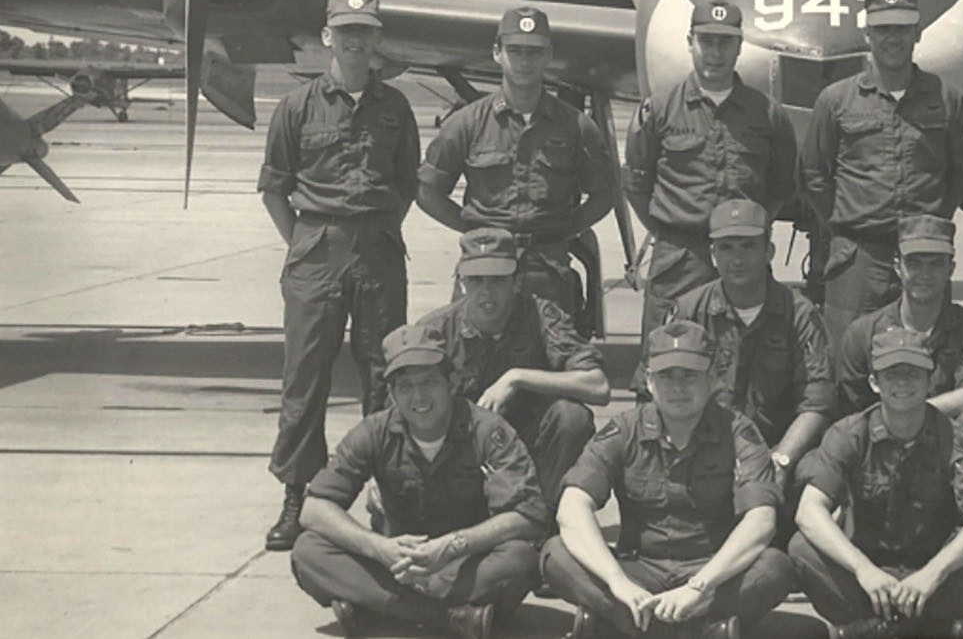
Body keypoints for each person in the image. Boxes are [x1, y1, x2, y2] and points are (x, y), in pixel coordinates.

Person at [259, 0, 420, 552]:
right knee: (305, 378)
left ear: (377, 41)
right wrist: (307, 242)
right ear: (328, 37)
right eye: (345, 31)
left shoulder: (395, 109)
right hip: (315, 249)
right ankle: (298, 496)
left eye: (365, 31)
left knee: (384, 375)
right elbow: (275, 188)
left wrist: (369, 229)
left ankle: (386, 492)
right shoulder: (298, 106)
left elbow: (405, 185)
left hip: (377, 249)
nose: (355, 40)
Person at [290, 324, 545, 639]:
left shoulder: (487, 430)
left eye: (429, 382)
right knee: (308, 550)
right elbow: (314, 508)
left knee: (521, 559)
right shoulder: (375, 431)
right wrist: (379, 548)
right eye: (406, 386)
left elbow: (529, 516)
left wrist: (452, 547)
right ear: (393, 393)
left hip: (465, 565)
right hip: (398, 564)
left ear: (451, 383)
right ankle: (450, 618)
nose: (419, 397)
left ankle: (378, 607)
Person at [542, 322, 794, 639]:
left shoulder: (738, 431)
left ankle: (631, 626)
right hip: (640, 571)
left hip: (711, 571)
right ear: (648, 380)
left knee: (775, 567)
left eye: (689, 375)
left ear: (712, 378)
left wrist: (699, 586)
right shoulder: (623, 430)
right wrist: (617, 580)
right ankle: (700, 631)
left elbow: (761, 520)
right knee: (556, 554)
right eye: (666, 376)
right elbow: (572, 507)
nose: (678, 387)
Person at [788, 327, 963, 639]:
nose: (903, 383)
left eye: (913, 374)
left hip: (932, 579)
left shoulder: (955, 437)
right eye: (892, 374)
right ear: (875, 382)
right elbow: (809, 510)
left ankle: (872, 632)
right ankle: (931, 632)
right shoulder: (850, 433)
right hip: (868, 579)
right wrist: (863, 569)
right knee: (801, 547)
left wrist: (934, 573)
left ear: (929, 380)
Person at [801, 0, 963, 344]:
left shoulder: (946, 99)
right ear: (867, 34)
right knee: (848, 354)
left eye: (901, 28)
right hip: (857, 257)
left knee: (929, 354)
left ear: (918, 32)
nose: (892, 38)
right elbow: (814, 173)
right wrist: (841, 220)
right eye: (883, 29)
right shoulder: (836, 100)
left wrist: (934, 219)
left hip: (923, 255)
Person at [418, 5, 616, 316]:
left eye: (534, 52)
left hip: (548, 271)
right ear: (497, 52)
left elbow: (604, 194)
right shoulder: (467, 123)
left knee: (552, 357)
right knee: (477, 357)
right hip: (483, 270)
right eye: (515, 50)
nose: (524, 61)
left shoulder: (576, 127)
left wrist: (563, 230)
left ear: (549, 55)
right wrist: (475, 231)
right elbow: (427, 192)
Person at [630, 199, 834, 498]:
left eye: (748, 247)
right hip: (701, 449)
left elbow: (816, 403)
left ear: (769, 251)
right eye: (726, 248)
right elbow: (651, 393)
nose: (737, 259)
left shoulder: (800, 315)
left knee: (814, 471)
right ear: (712, 255)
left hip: (773, 447)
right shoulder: (688, 311)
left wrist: (782, 460)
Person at [625, 0, 798, 338]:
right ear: (690, 43)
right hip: (680, 257)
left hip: (742, 259)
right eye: (706, 41)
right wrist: (672, 230)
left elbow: (780, 187)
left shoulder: (767, 114)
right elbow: (636, 183)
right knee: (668, 356)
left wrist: (746, 231)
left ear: (739, 47)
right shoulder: (660, 111)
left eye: (725, 42)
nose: (714, 53)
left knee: (747, 360)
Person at [416, 227, 609, 509]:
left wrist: (516, 378)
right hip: (461, 450)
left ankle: (543, 518)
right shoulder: (434, 331)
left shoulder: (541, 316)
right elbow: (401, 410)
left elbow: (598, 386)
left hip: (530, 446)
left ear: (516, 280)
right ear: (460, 282)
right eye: (476, 281)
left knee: (572, 417)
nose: (486, 292)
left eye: (497, 280)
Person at [835, 214, 963, 454]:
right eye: (914, 263)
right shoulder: (864, 333)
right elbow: (850, 414)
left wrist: (906, 412)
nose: (925, 274)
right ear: (897, 266)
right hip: (881, 449)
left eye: (935, 263)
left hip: (947, 448)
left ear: (950, 269)